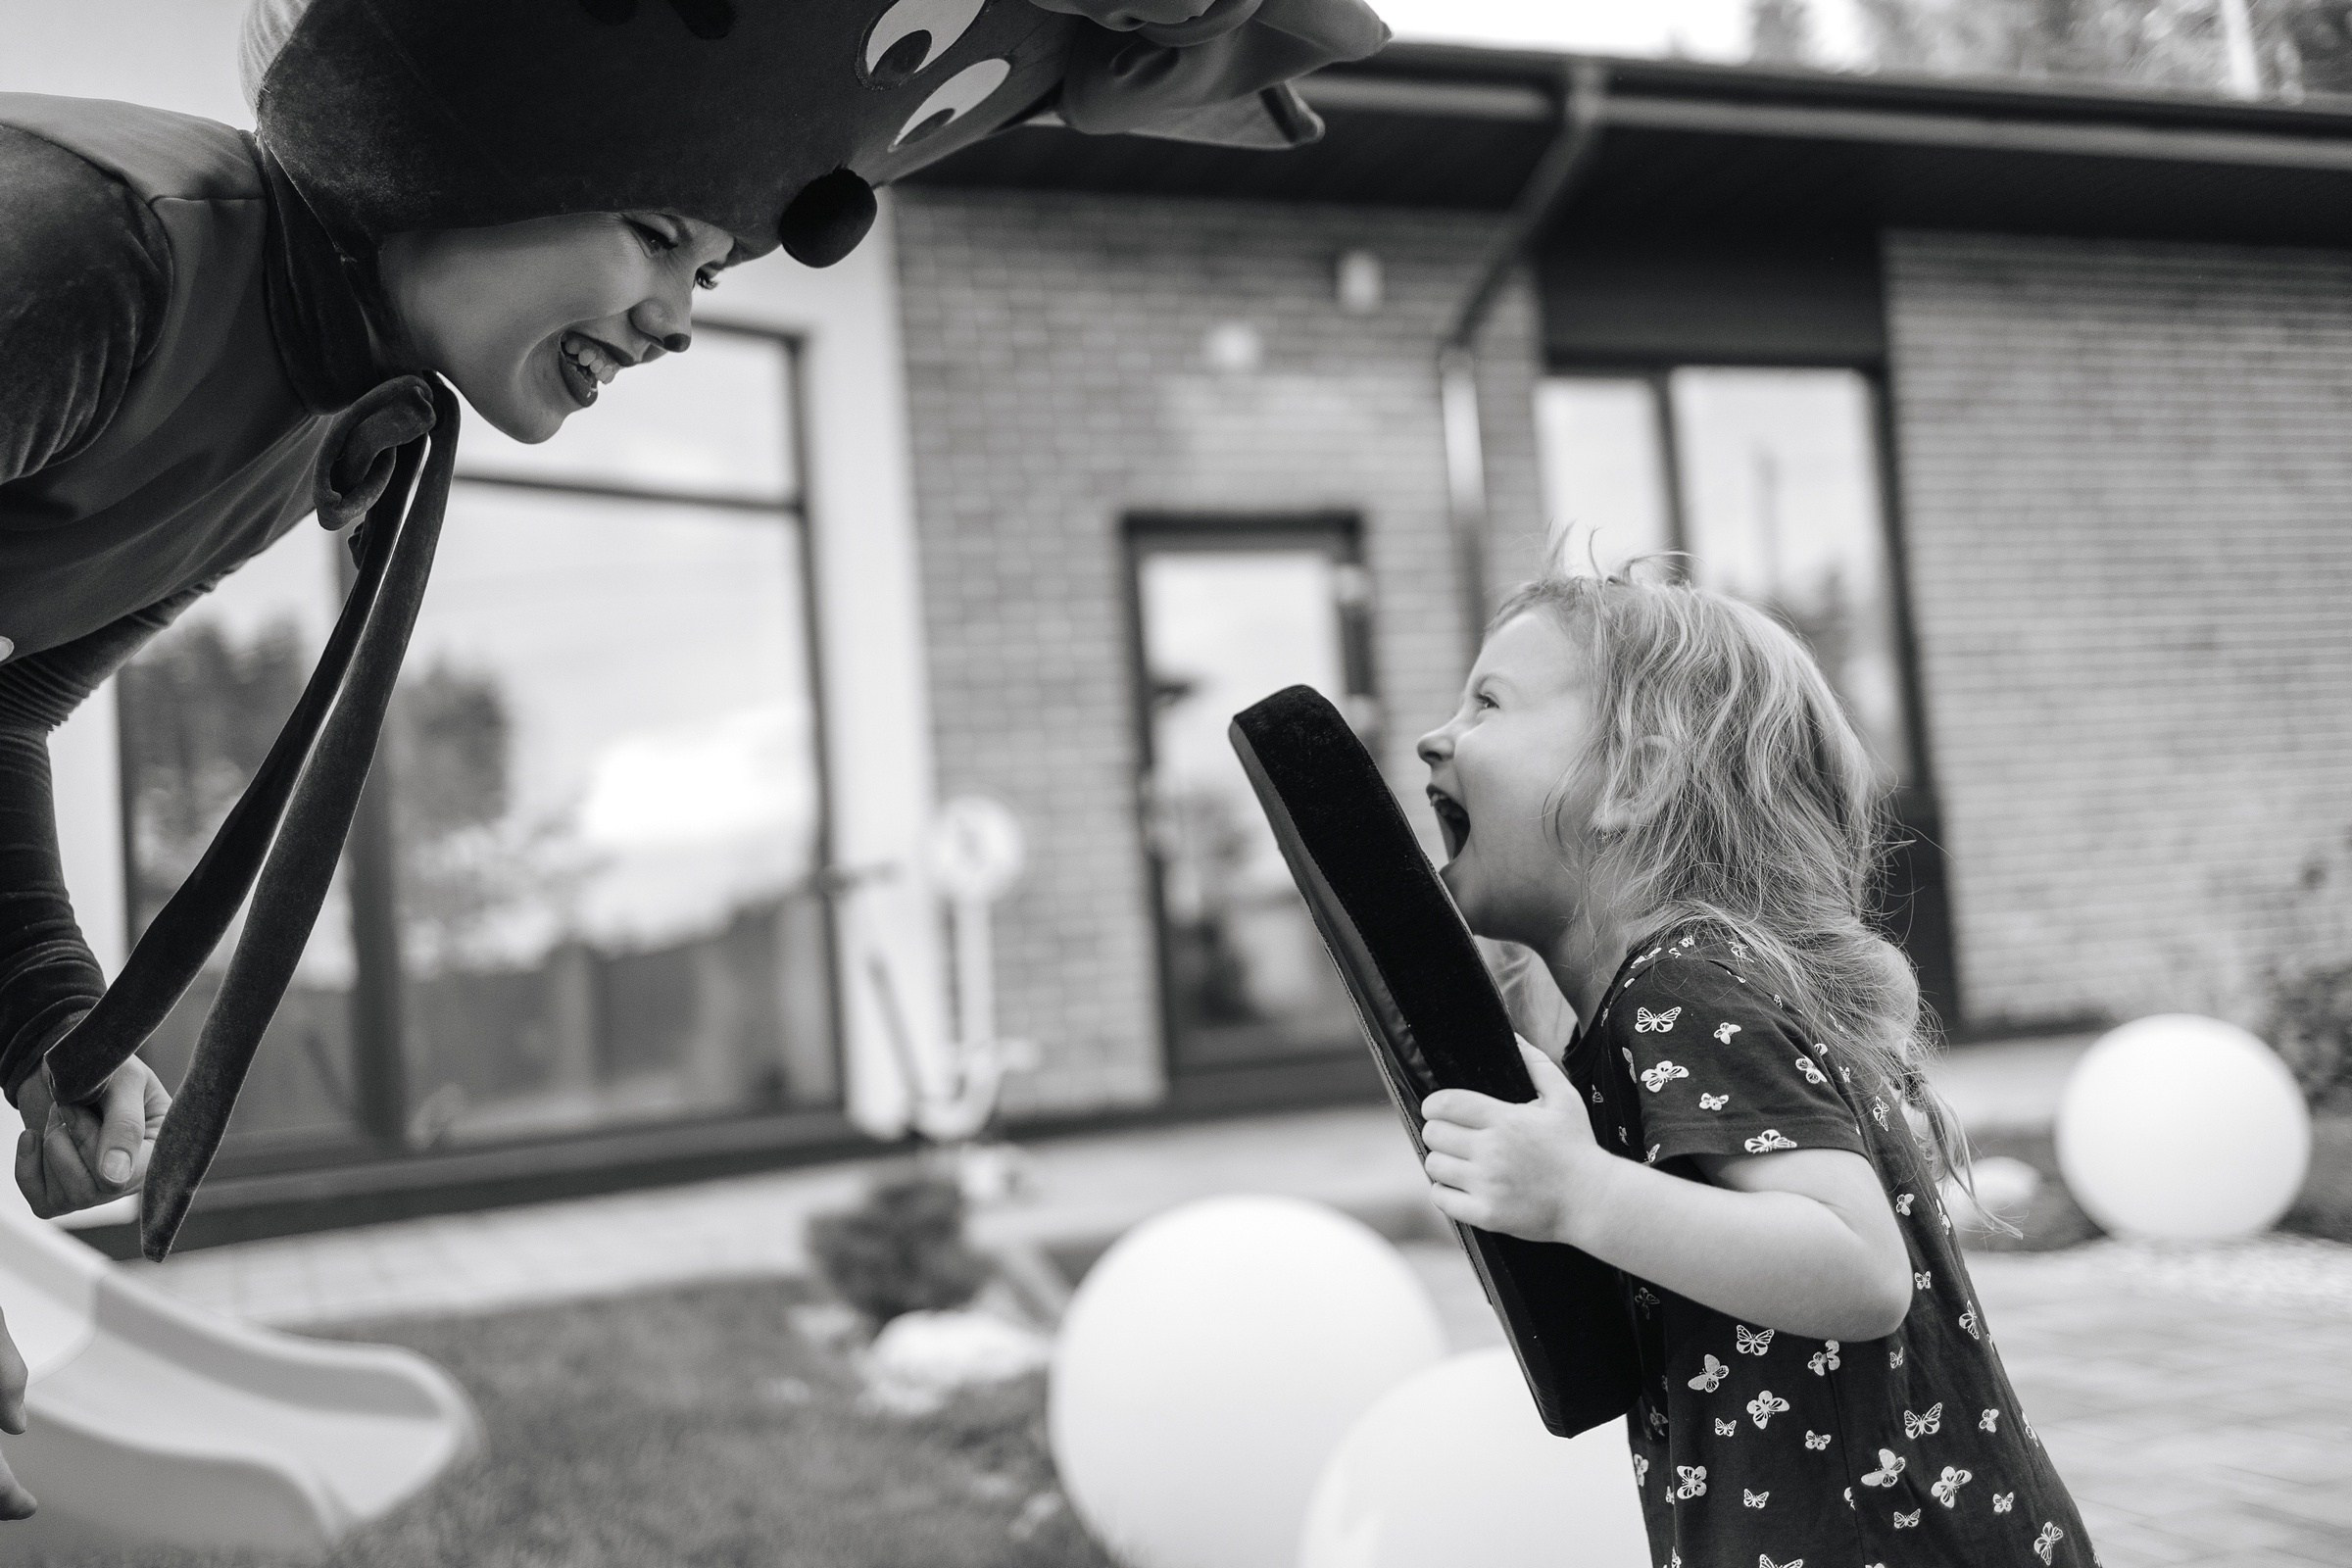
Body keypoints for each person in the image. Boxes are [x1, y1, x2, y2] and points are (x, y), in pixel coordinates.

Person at [0, 0, 1387, 1515]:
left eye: (711, 271)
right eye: (662, 231)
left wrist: (48, 1025)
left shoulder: (320, 398)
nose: (677, 319)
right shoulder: (96, 252)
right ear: (466, 142)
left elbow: (4, 709)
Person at [1414, 565, 2094, 1567]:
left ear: (1636, 779)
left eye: (1487, 702)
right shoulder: (1647, 1003)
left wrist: (1577, 1193)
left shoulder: (1681, 985)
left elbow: (1856, 1269)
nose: (1437, 735)